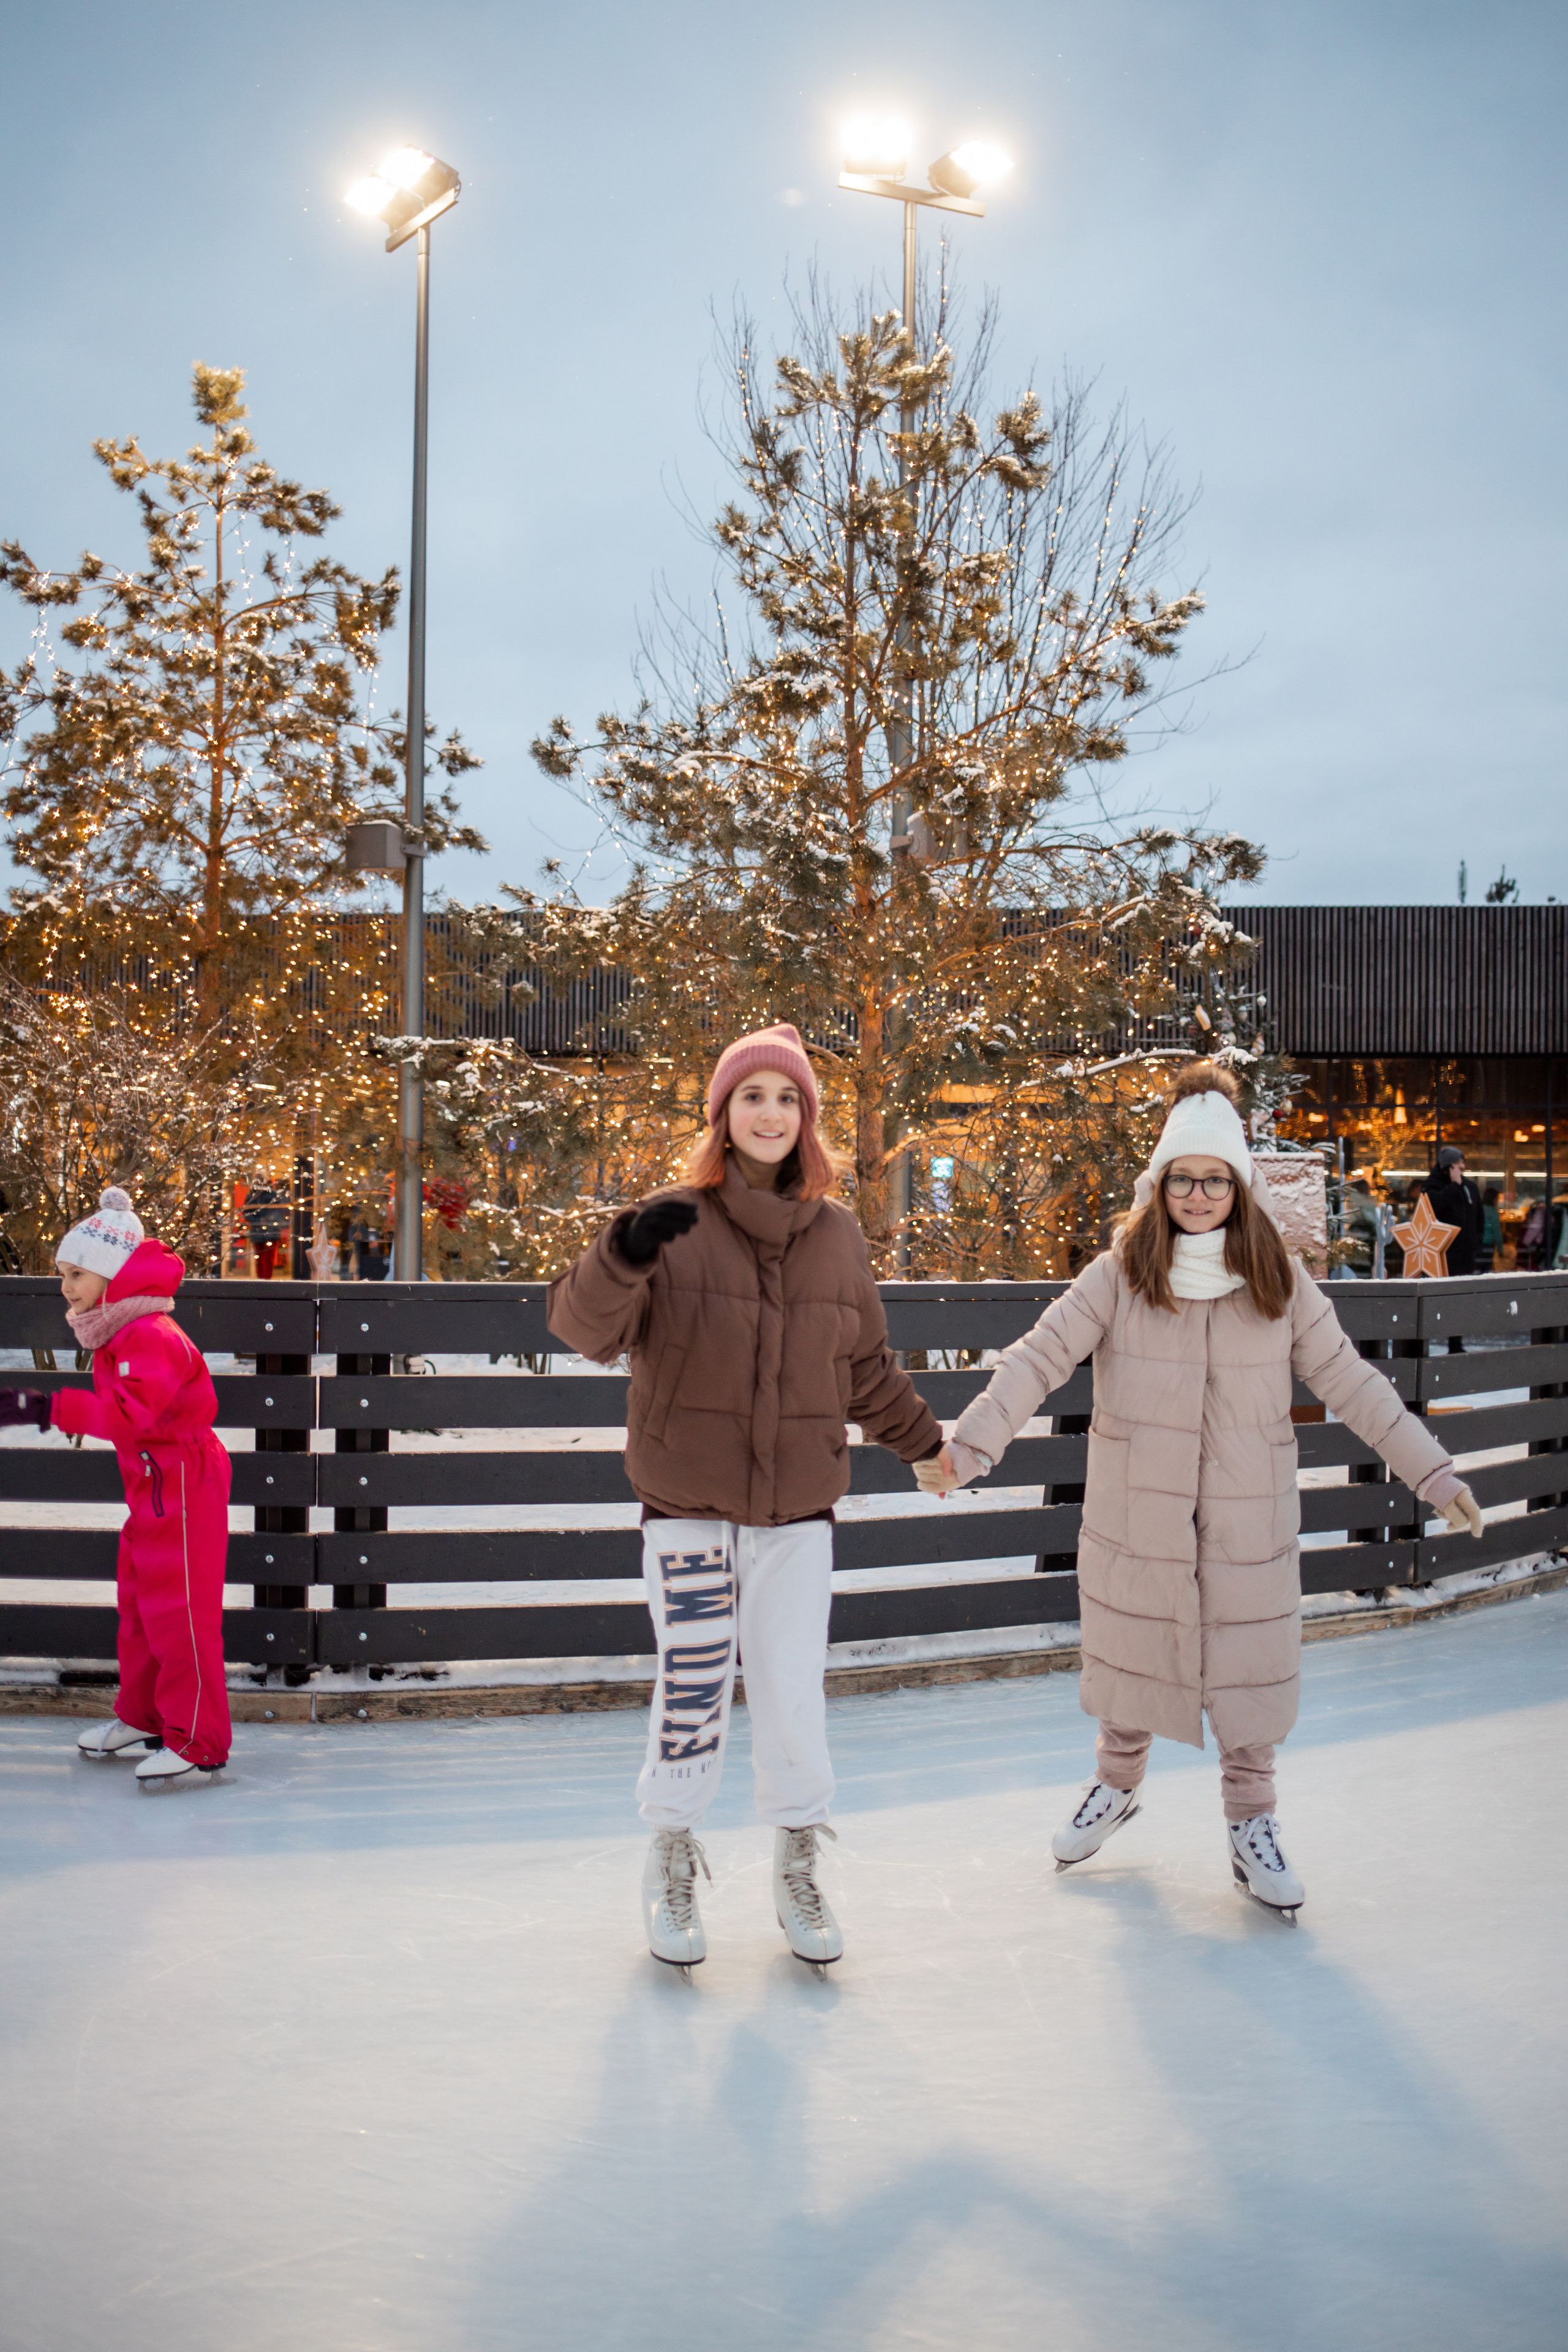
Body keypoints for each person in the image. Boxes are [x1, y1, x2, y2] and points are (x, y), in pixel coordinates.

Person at [913, 1064, 1483, 1921]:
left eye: (1216, 1178)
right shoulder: (1120, 1274)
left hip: (1249, 1512)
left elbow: (1354, 1383)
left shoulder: (1279, 1284)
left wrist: (1432, 1473)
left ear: (1239, 1186)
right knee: (1137, 1646)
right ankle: (1116, 1783)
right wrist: (969, 1446)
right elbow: (1036, 1359)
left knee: (1250, 1665)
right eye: (1184, 1176)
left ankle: (1252, 1822)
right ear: (1161, 1180)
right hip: (1139, 1507)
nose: (1199, 1193)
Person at [546, 1022, 943, 1972]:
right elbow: (581, 1329)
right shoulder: (672, 1218)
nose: (770, 1113)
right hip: (688, 1506)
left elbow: (865, 1369)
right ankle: (673, 1857)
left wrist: (926, 1445)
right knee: (692, 1691)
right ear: (722, 1115)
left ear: (807, 1119)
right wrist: (620, 1253)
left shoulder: (837, 1235)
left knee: (793, 1695)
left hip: (799, 1513)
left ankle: (798, 1862)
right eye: (751, 1096)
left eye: (788, 1098)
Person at [0, 1187, 232, 1787]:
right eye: (62, 1275)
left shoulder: (149, 1334)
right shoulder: (118, 1330)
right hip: (153, 1487)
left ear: (111, 1274)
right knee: (138, 1607)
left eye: (76, 1274)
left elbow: (131, 1416)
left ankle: (199, 1740)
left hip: (183, 1484)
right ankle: (146, 1718)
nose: (66, 1288)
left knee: (182, 1614)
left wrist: (46, 1406)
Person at [1424, 1146, 1483, 1275]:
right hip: (1443, 1248)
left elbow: (1479, 1216)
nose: (1461, 1167)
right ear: (1447, 1167)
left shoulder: (1470, 1187)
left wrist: (1476, 1241)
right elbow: (1433, 1206)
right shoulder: (1433, 1185)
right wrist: (1454, 1186)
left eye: (1462, 1162)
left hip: (1467, 1250)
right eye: (1457, 1163)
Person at [242, 1177, 290, 1280]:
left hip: (269, 1232)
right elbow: (246, 1213)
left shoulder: (273, 1196)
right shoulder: (253, 1195)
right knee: (262, 1259)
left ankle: (265, 1280)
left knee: (267, 1259)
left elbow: (280, 1212)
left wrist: (266, 1220)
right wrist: (260, 1221)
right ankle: (263, 1280)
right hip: (261, 1232)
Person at [1479, 1185, 1503, 1275]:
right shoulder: (1493, 1212)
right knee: (1486, 1270)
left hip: (1478, 1243)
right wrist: (1500, 1249)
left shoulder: (1480, 1209)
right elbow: (1497, 1231)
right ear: (1494, 1199)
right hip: (1488, 1244)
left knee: (1479, 1268)